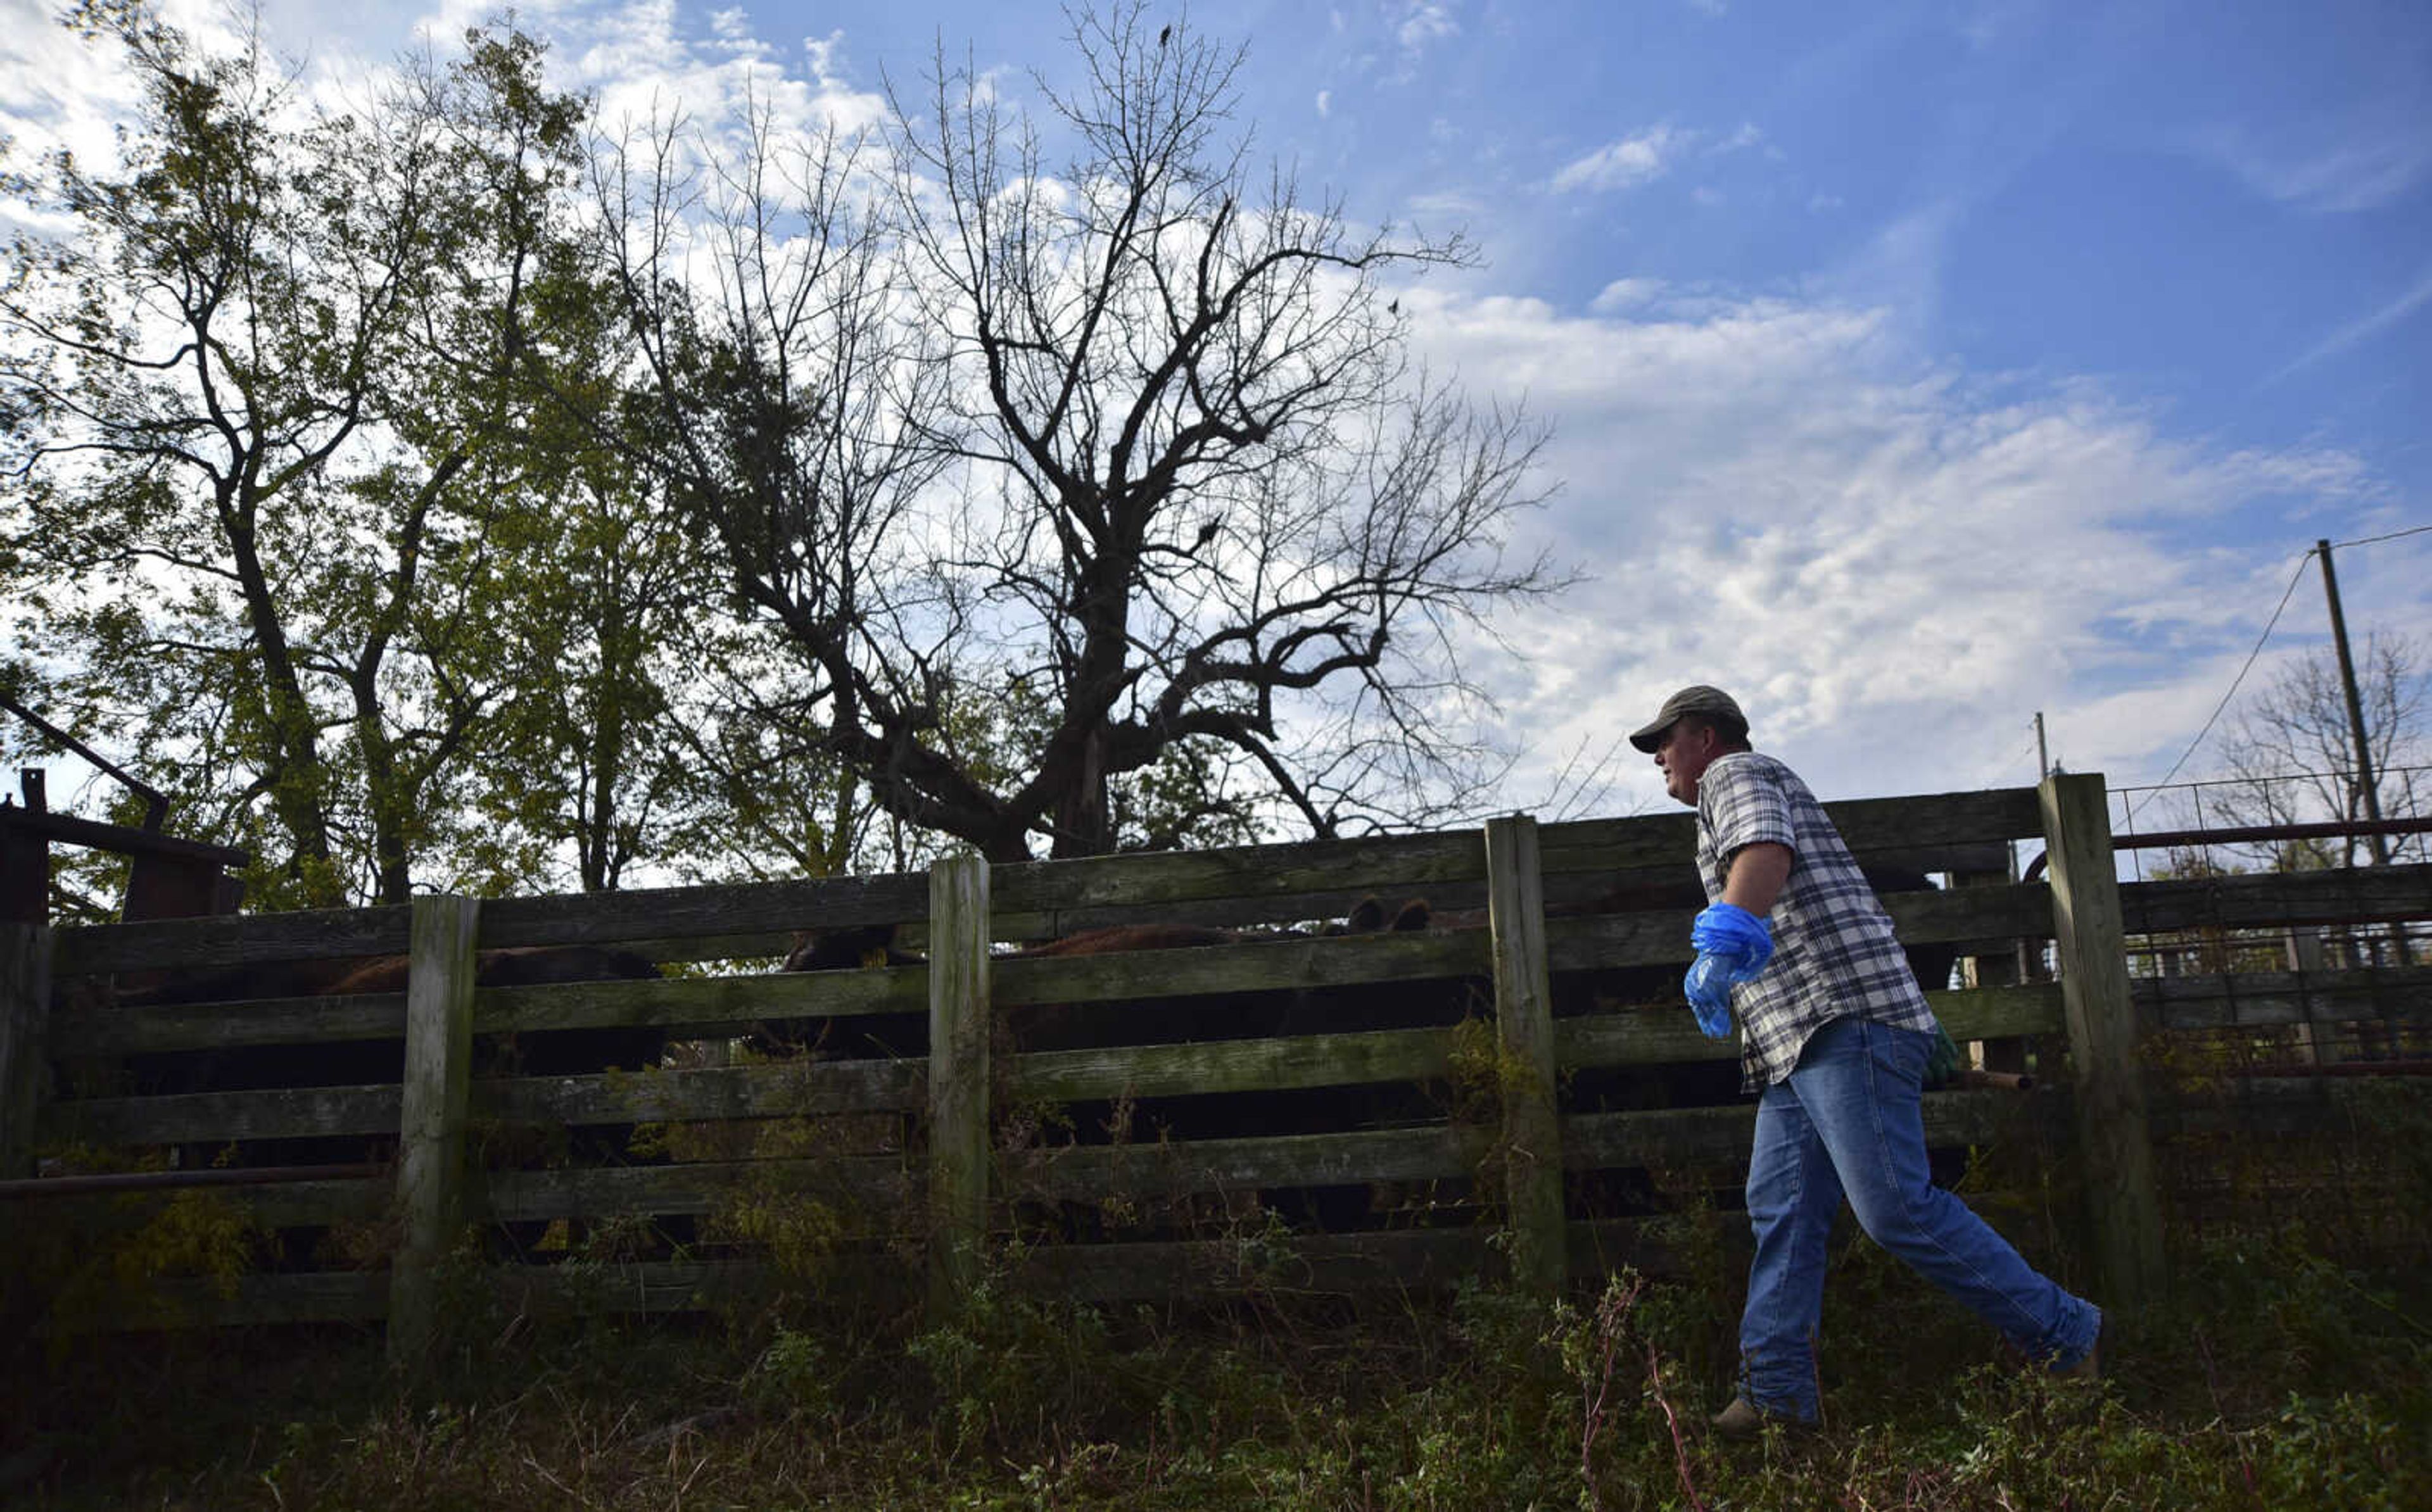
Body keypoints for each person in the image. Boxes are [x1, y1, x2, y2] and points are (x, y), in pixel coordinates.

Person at [1628, 685, 2101, 1437]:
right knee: (1782, 1213)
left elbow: (1763, 851)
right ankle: (1777, 1391)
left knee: (1896, 1207)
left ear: (1709, 737)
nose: (1658, 756)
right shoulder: (1739, 785)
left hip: (1842, 1020)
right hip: (1797, 1044)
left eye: (1666, 740)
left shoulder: (1736, 775)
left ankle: (2064, 1332)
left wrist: (1723, 944)